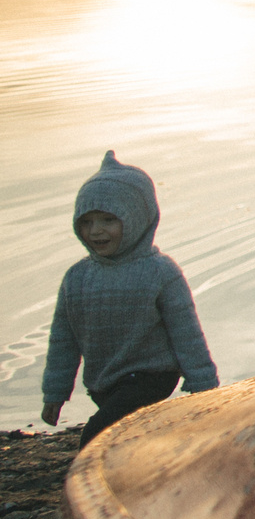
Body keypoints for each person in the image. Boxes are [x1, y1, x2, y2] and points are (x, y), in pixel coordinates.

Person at [40, 151, 220, 446]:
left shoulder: (160, 272)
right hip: (103, 382)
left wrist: (204, 383)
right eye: (87, 222)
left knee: (96, 435)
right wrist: (55, 394)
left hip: (152, 376)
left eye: (108, 220)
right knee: (129, 439)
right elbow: (63, 341)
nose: (96, 231)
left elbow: (186, 332)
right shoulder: (76, 278)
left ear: (136, 218)